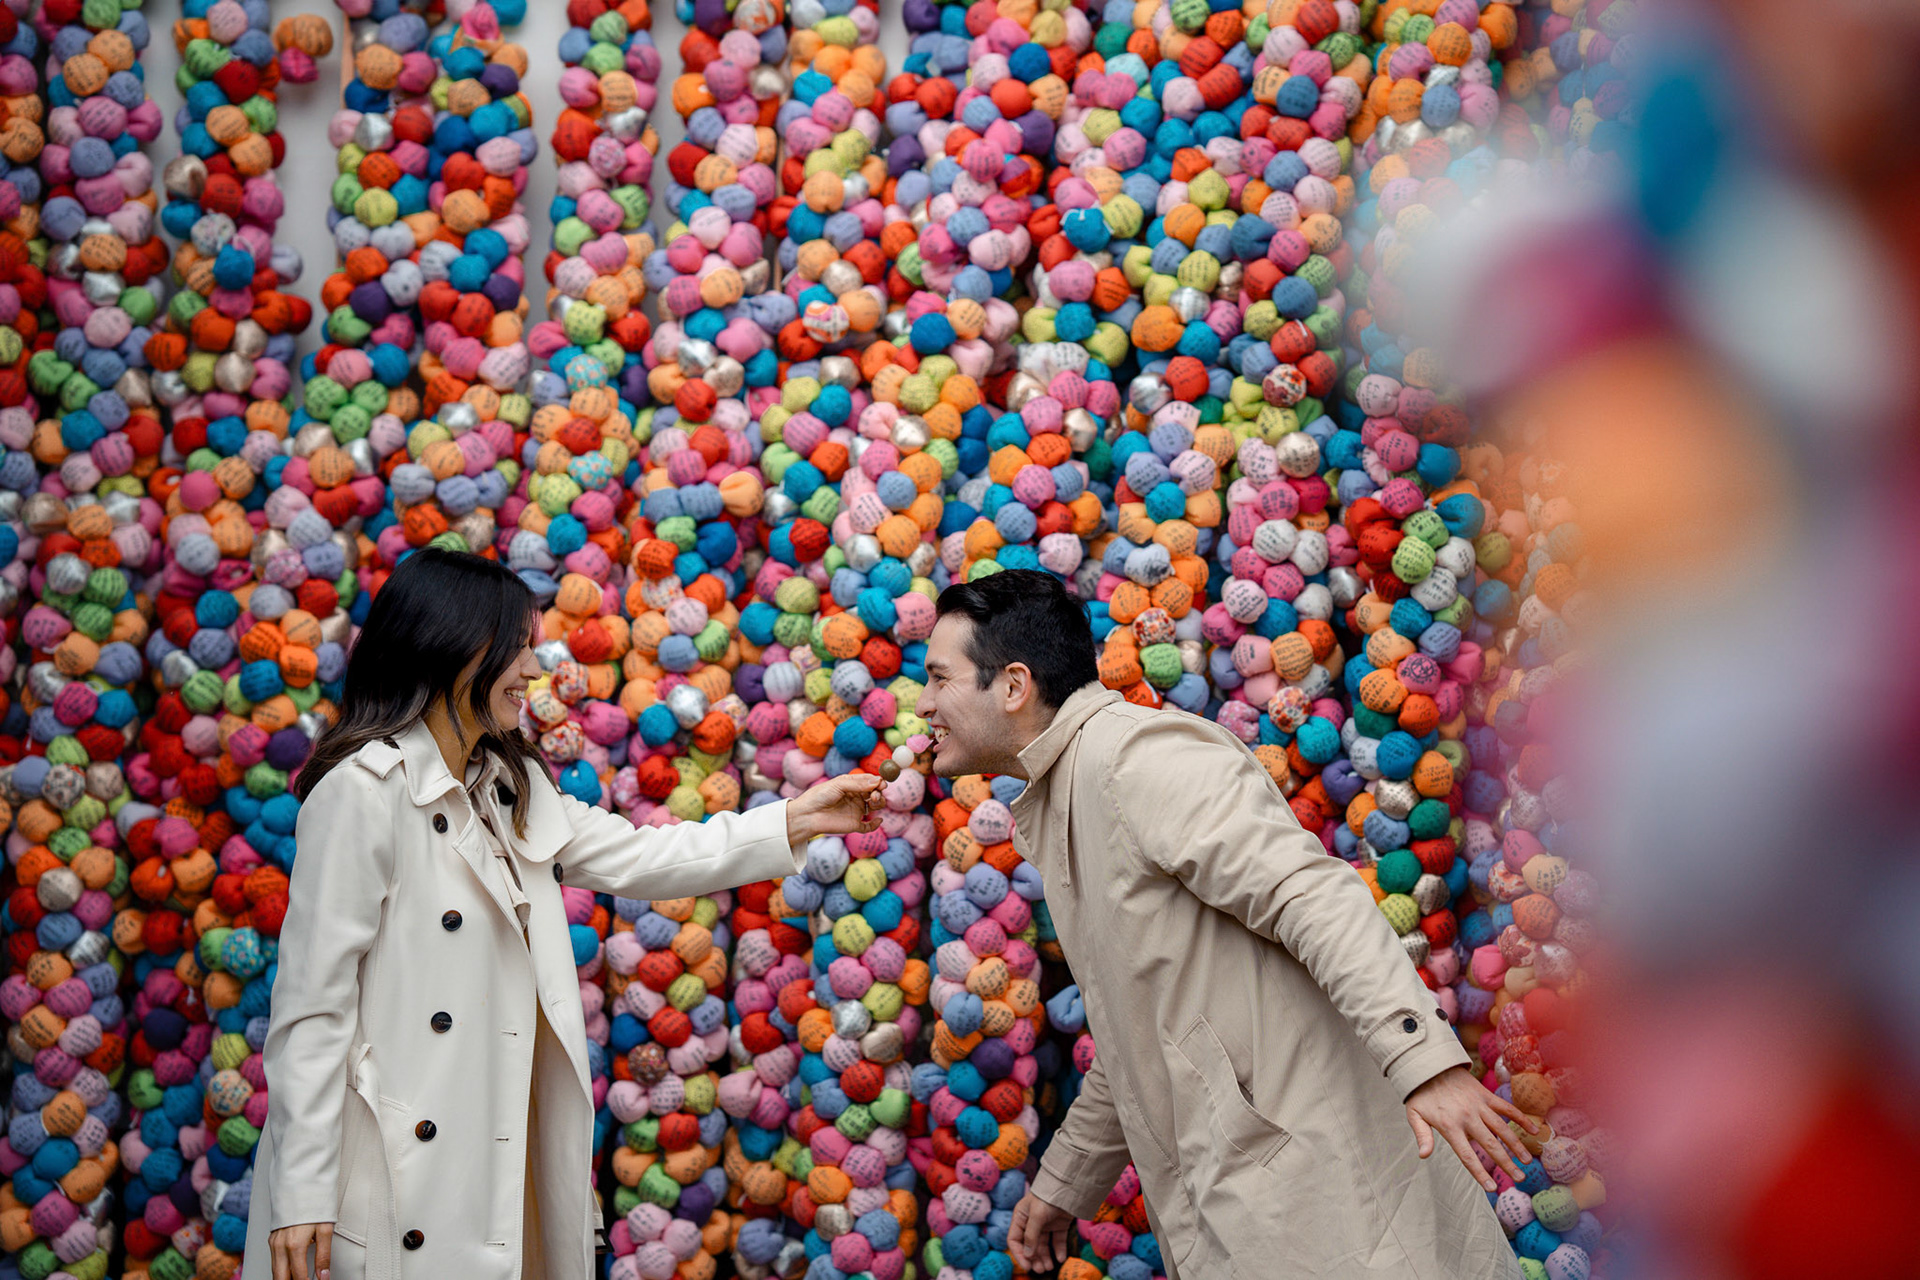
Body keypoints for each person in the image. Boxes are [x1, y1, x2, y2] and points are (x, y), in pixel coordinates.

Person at [243, 549, 886, 1280]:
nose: (533, 669)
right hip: (387, 1177)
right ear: (453, 647)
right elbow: (311, 1009)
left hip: (490, 1152)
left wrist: (797, 820)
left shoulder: (506, 787)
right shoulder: (363, 792)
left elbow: (647, 858)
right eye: (516, 648)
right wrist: (301, 1188)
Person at [915, 570, 1530, 1279]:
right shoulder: (1068, 795)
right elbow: (1139, 1027)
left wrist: (1425, 1063)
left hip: (1318, 1193)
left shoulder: (1133, 760)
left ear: (1014, 685)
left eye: (938, 678)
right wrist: (1067, 1181)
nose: (925, 703)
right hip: (1251, 1204)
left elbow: (1310, 896)